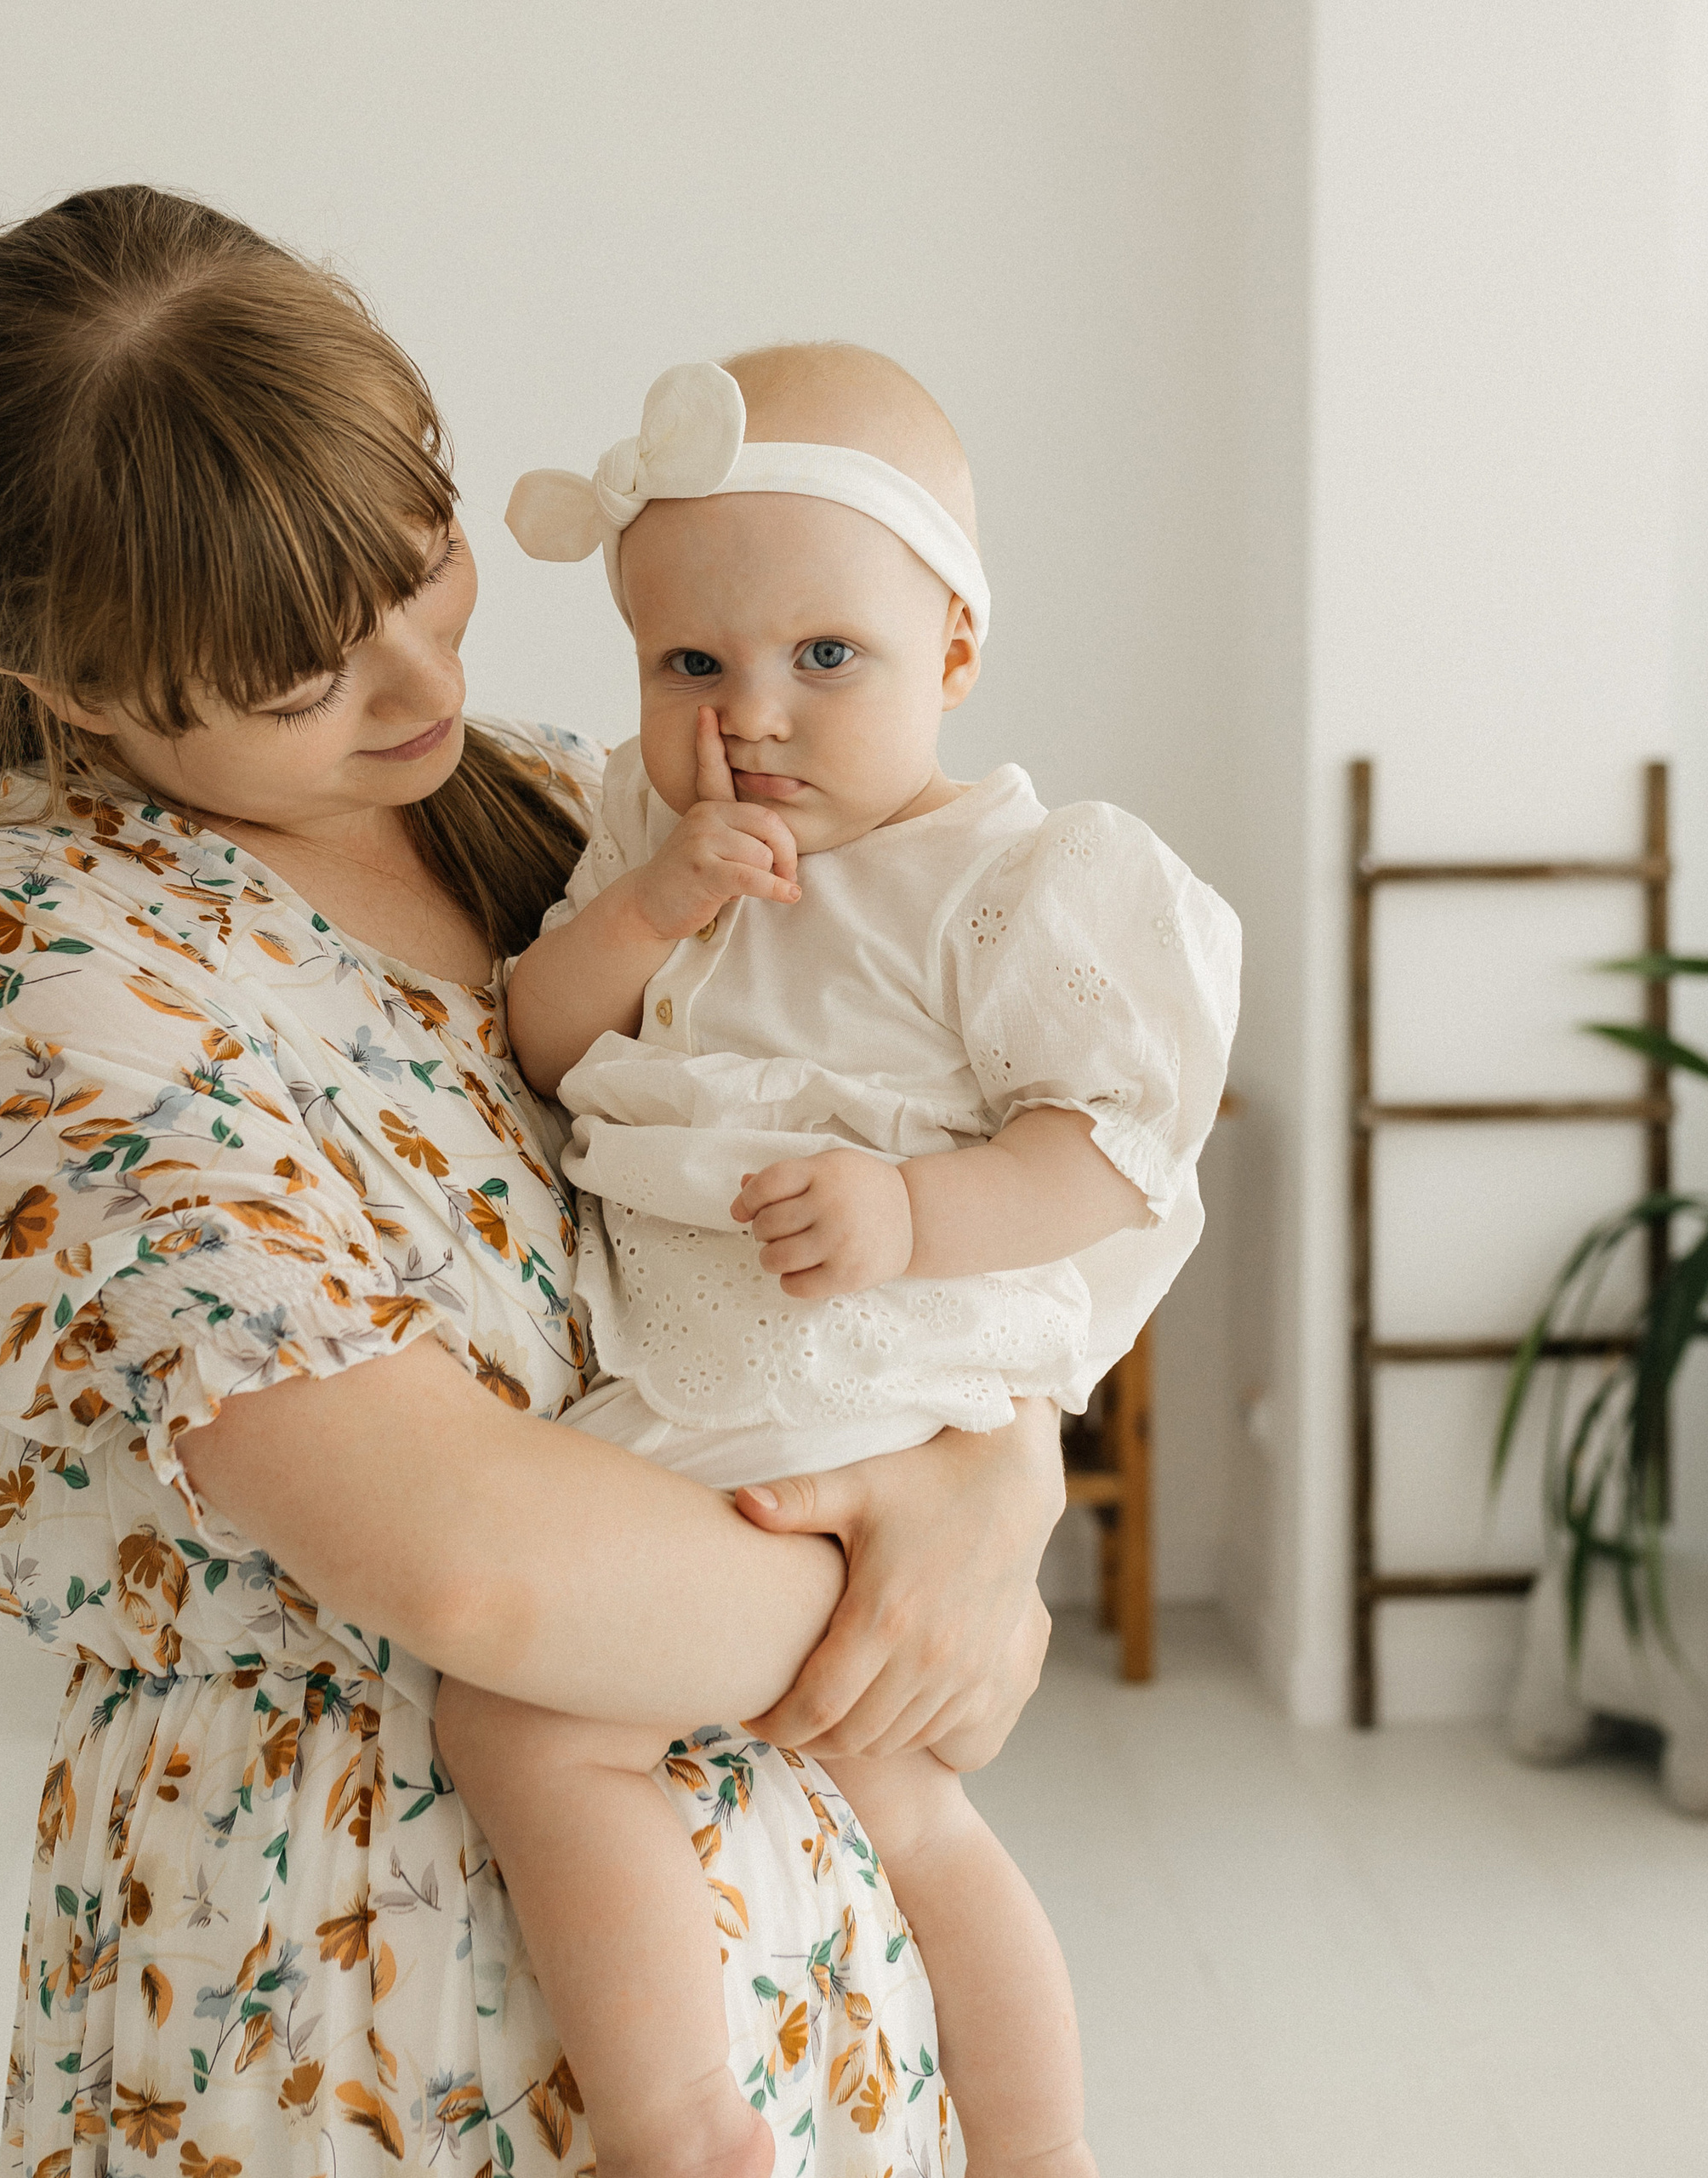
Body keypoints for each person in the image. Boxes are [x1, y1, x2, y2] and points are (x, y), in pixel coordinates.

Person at [0, 184, 1067, 2177]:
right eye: (297, 682)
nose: (415, 682)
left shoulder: (549, 803)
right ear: (78, 689)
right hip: (364, 2006)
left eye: (421, 572)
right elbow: (463, 1560)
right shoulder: (30, 944)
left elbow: (902, 1153)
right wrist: (902, 1607)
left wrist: (991, 1479)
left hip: (797, 1952)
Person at [435, 350, 1240, 2177]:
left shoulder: (1006, 882)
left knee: (523, 1716)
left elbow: (1112, 1150)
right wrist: (651, 905)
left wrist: (911, 1211)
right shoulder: (645, 845)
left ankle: (677, 2121)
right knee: (910, 1808)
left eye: (825, 658)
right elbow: (543, 1042)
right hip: (700, 1365)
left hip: (844, 1364)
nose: (753, 718)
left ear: (951, 650)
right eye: (688, 666)